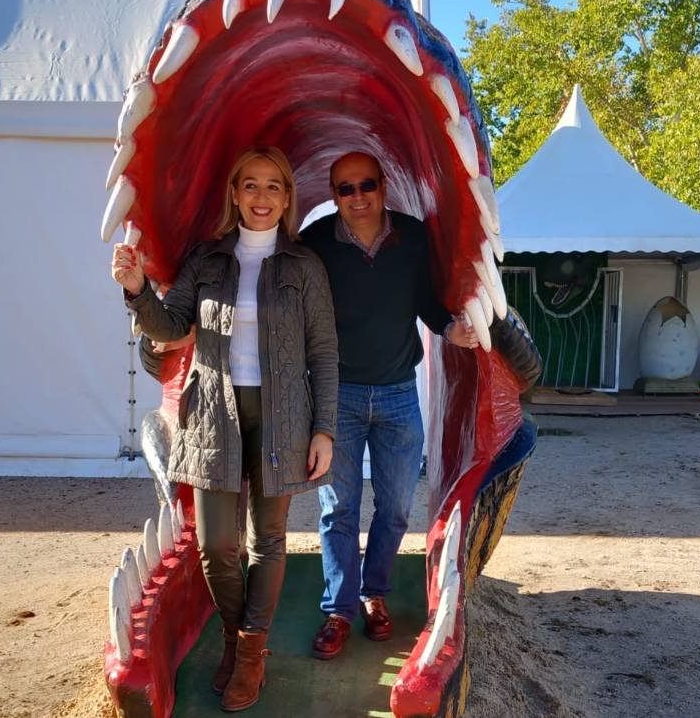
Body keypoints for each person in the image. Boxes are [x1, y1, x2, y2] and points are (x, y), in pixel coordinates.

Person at [111, 146, 338, 711]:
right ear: (235, 194)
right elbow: (171, 324)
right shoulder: (207, 260)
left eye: (274, 188)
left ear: (287, 198)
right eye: (251, 186)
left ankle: (250, 655)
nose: (262, 198)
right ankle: (241, 645)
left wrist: (324, 429)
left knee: (268, 540)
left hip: (284, 415)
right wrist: (140, 290)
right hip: (213, 411)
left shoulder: (304, 266)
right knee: (216, 546)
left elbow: (325, 352)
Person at [300, 151, 477, 660]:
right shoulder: (315, 245)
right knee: (339, 509)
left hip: (399, 392)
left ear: (385, 186)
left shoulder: (413, 236)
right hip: (339, 395)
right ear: (333, 196)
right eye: (345, 189)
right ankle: (338, 610)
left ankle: (373, 593)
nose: (358, 197)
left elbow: (426, 298)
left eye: (366, 185)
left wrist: (449, 328)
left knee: (397, 506)